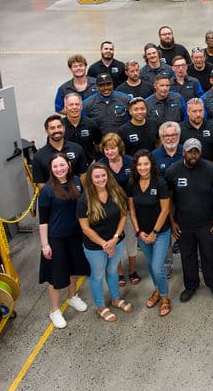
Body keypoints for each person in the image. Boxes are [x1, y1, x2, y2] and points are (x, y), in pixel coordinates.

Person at [166, 138, 213, 301]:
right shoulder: (173, 171)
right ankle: (191, 286)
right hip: (183, 224)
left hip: (207, 222)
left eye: (196, 151)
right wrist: (172, 221)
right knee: (187, 256)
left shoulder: (212, 169)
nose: (193, 154)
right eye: (190, 151)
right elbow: (168, 198)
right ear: (183, 152)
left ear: (201, 152)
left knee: (209, 255)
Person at [38, 152, 89, 329]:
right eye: (55, 166)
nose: (60, 169)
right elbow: (43, 221)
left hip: (75, 235)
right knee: (56, 276)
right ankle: (54, 310)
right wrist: (45, 244)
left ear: (68, 164)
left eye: (62, 165)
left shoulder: (77, 181)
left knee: (73, 268)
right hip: (56, 238)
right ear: (51, 170)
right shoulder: (46, 191)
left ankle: (72, 296)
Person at [78, 162, 133, 322]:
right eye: (97, 176)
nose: (101, 179)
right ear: (90, 178)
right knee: (97, 275)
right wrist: (104, 244)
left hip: (116, 241)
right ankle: (101, 307)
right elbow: (85, 228)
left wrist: (115, 238)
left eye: (103, 175)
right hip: (95, 247)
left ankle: (115, 300)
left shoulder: (116, 192)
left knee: (113, 271)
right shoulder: (84, 200)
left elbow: (123, 215)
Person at [128, 150, 172, 317]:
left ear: (151, 164)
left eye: (146, 163)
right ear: (135, 166)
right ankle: (158, 291)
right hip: (142, 233)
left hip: (160, 232)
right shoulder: (132, 183)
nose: (143, 167)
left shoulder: (160, 183)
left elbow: (165, 210)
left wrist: (154, 232)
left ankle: (165, 298)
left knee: (157, 266)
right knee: (151, 265)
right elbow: (131, 210)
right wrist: (138, 231)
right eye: (139, 164)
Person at [97, 132, 138, 287]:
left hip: (129, 209)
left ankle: (133, 269)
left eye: (112, 148)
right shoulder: (101, 164)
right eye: (106, 149)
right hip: (111, 211)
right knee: (116, 241)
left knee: (131, 239)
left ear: (119, 148)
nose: (109, 152)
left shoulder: (130, 162)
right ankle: (119, 272)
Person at [31, 114, 88, 185]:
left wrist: (78, 192)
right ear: (47, 131)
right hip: (52, 195)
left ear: (64, 128)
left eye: (59, 127)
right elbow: (40, 183)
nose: (57, 130)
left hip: (75, 194)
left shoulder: (77, 148)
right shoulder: (38, 156)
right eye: (52, 128)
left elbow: (83, 174)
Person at [61, 92, 101, 162]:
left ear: (81, 106)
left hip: (89, 166)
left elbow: (98, 145)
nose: (74, 107)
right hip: (66, 167)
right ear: (65, 108)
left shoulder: (91, 124)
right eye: (71, 105)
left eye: (77, 104)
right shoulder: (59, 126)